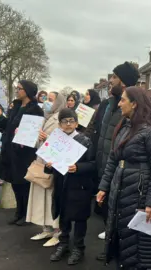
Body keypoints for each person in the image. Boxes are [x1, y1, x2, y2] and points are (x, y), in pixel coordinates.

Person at [96, 86, 151, 269]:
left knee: (140, 245)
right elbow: (113, 159)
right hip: (120, 190)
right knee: (121, 237)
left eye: (123, 100)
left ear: (134, 104)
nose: (119, 104)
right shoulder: (124, 126)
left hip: (140, 195)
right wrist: (104, 187)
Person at [94, 62, 140, 259]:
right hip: (102, 166)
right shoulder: (106, 104)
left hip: (119, 170)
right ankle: (109, 248)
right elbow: (96, 131)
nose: (110, 80)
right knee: (106, 212)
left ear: (123, 81)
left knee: (119, 213)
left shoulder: (135, 108)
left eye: (113, 77)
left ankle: (118, 252)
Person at [48, 108, 96, 265]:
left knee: (80, 218)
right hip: (62, 184)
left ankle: (78, 248)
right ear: (60, 124)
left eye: (71, 121)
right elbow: (49, 165)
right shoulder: (56, 140)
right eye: (64, 121)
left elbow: (94, 164)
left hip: (79, 186)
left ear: (76, 123)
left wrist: (79, 168)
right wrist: (49, 165)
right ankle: (63, 244)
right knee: (64, 216)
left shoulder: (85, 140)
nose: (68, 124)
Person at [0, 80, 44, 226]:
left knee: (24, 184)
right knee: (15, 183)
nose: (17, 90)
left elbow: (35, 132)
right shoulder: (15, 106)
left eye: (19, 88)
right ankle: (18, 212)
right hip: (10, 150)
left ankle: (26, 214)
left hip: (24, 153)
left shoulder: (35, 110)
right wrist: (0, 117)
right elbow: (8, 126)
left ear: (27, 91)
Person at [26, 92, 66, 247]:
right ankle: (46, 227)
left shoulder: (62, 117)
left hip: (52, 162)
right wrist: (38, 138)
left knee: (51, 195)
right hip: (41, 159)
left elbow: (65, 139)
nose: (47, 101)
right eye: (47, 98)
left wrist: (46, 139)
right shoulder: (45, 117)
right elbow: (37, 141)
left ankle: (57, 230)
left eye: (51, 99)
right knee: (41, 195)